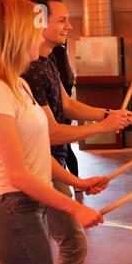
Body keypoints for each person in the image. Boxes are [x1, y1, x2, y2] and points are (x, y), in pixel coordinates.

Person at [0, 0, 106, 264]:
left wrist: (77, 182)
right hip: (11, 213)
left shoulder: (17, 85)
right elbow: (18, 174)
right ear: (17, 34)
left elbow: (36, 155)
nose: (41, 32)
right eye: (35, 27)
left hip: (23, 211)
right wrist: (74, 207)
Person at [23, 0, 132, 264]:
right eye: (62, 20)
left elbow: (68, 105)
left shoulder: (47, 61)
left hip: (54, 163)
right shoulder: (29, 71)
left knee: (42, 252)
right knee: (69, 245)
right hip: (42, 166)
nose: (69, 26)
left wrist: (108, 114)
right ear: (38, 21)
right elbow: (49, 133)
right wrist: (102, 127)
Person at [50, 43, 79, 181]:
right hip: (65, 115)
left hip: (57, 114)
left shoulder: (54, 76)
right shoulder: (68, 75)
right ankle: (74, 180)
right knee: (66, 148)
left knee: (62, 148)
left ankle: (68, 180)